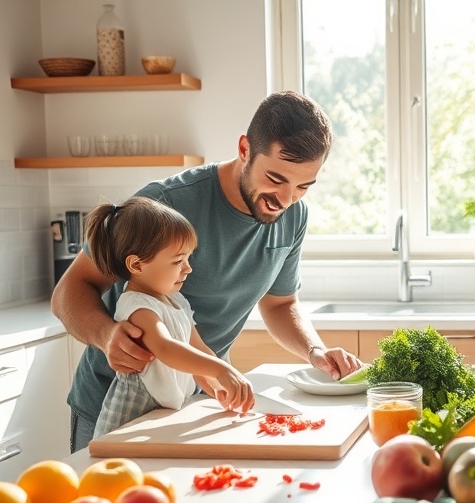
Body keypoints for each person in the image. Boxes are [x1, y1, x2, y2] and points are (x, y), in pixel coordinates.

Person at [52, 91, 363, 453]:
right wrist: (107, 336)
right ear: (245, 148)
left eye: (303, 186)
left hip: (191, 401)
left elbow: (280, 305)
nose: (286, 198)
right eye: (275, 179)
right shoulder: (166, 204)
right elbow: (69, 291)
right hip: (113, 405)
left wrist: (314, 351)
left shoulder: (293, 215)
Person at [83, 197, 255, 438]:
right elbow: (166, 348)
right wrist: (221, 370)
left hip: (160, 416)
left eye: (187, 258)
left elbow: (199, 349)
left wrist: (216, 387)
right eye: (177, 261)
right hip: (131, 421)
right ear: (136, 265)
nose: (188, 268)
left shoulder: (177, 300)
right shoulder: (137, 305)